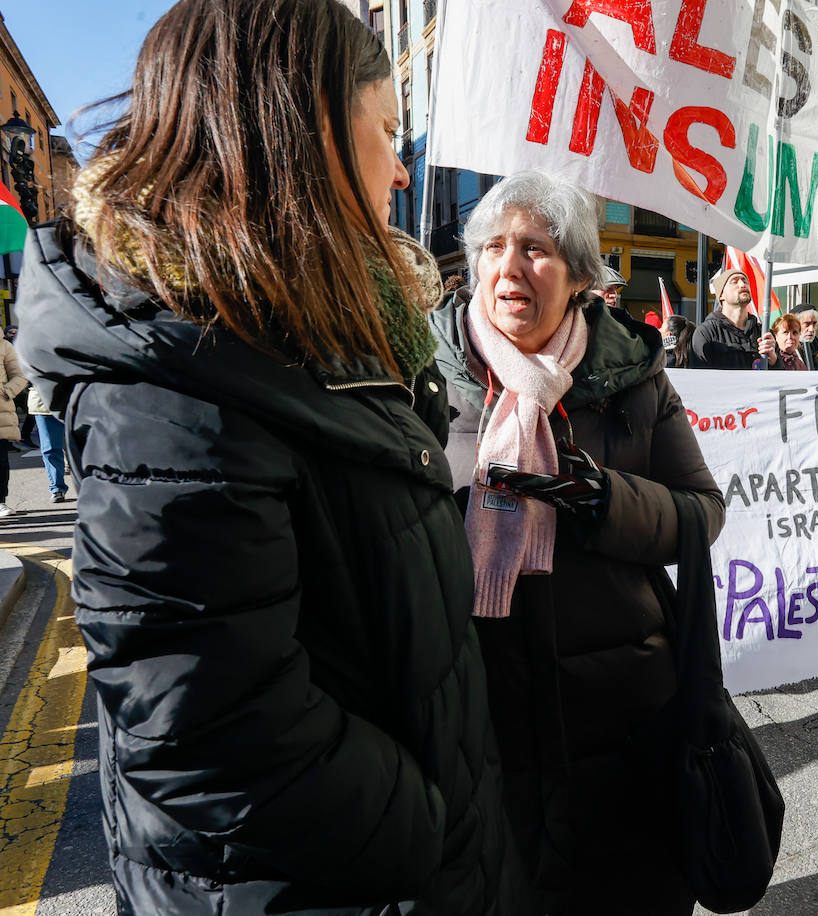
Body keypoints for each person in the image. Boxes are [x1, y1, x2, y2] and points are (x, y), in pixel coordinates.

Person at [15, 1, 509, 912]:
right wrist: (427, 825)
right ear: (307, 128)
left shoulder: (314, 332)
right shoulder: (175, 387)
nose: (402, 170)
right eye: (389, 130)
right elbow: (217, 731)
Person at [428, 170, 725, 915]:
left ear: (583, 277)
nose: (509, 267)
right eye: (493, 246)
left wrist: (603, 501)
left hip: (625, 717)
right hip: (479, 719)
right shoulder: (423, 379)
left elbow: (703, 510)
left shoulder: (635, 375)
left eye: (535, 248)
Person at [692, 265, 762, 369]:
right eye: (734, 281)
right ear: (721, 295)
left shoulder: (762, 332)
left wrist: (774, 359)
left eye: (745, 281)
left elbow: (780, 377)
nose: (743, 285)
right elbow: (699, 376)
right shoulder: (706, 332)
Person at [26, 385, 68, 502]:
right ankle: (57, 488)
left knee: (84, 447)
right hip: (43, 402)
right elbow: (21, 373)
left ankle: (92, 485)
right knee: (50, 448)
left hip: (75, 400)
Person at [0, 335, 26, 516]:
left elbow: (21, 374)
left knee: (0, 462)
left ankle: (0, 502)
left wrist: (7, 392)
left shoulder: (4, 344)